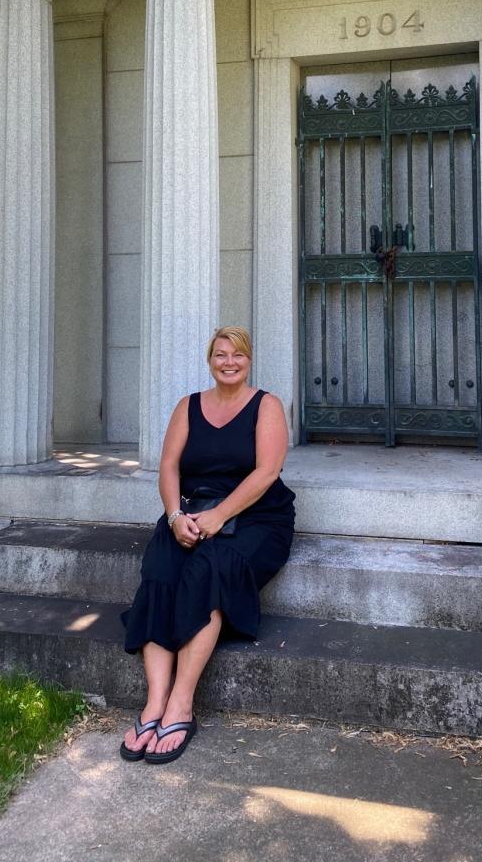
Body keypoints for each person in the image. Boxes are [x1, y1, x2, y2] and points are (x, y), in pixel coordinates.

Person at [120, 326, 295, 765]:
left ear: (249, 360)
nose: (229, 362)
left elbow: (266, 472)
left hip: (256, 517)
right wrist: (176, 517)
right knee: (161, 570)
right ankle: (154, 704)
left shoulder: (266, 406)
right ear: (210, 360)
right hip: (192, 512)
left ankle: (181, 704)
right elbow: (168, 466)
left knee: (207, 570)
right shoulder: (188, 407)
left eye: (237, 355)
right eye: (220, 355)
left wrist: (220, 516)